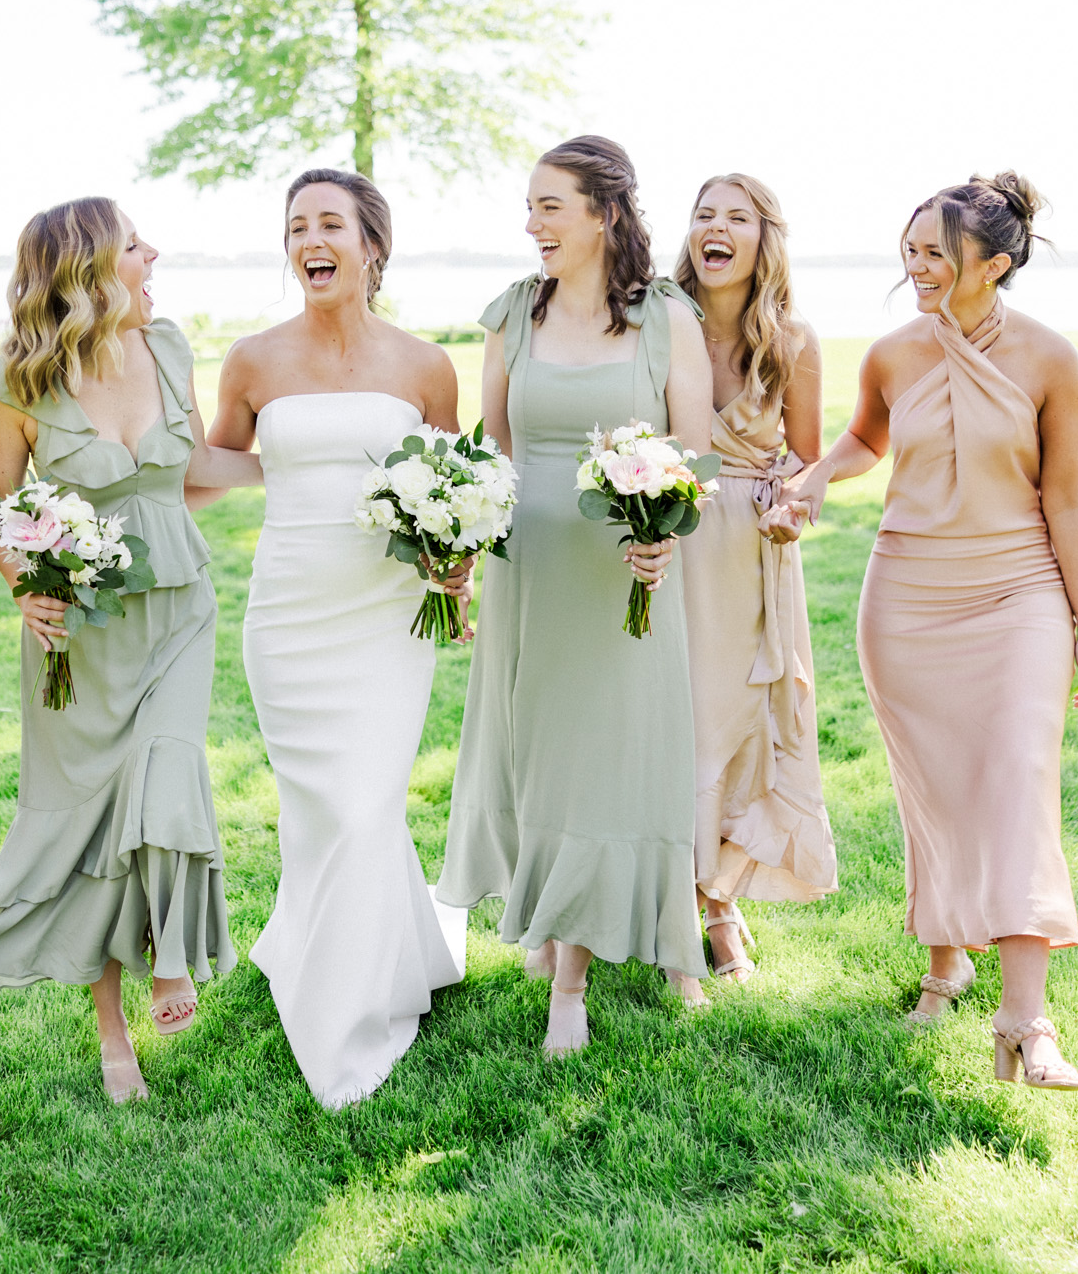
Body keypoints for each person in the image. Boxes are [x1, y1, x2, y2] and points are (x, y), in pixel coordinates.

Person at [774, 173, 1078, 1089]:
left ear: (994, 265)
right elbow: (862, 442)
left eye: (937, 254)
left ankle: (1026, 1022)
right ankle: (945, 960)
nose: (916, 267)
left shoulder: (1050, 359)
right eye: (910, 249)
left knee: (1017, 777)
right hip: (908, 597)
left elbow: (1068, 496)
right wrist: (812, 479)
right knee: (937, 792)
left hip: (1019, 594)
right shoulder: (891, 353)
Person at [0, 198, 258, 1104]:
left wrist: (311, 458)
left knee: (168, 772)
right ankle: (110, 1030)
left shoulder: (167, 347)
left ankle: (171, 954)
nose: (153, 253)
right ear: (88, 269)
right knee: (94, 819)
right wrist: (23, 587)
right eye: (136, 245)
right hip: (79, 630)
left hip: (180, 606)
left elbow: (194, 468)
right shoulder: (14, 382)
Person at [438, 135, 716, 1054]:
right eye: (529, 207)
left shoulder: (664, 316)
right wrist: (466, 541)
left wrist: (662, 539)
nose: (532, 224)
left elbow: (695, 452)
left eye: (549, 206)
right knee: (541, 759)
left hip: (624, 577)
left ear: (604, 212)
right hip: (531, 577)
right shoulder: (514, 312)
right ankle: (554, 915)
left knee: (609, 759)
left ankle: (572, 982)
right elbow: (500, 447)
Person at [206, 168, 469, 1108]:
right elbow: (209, 466)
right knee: (323, 811)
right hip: (288, 614)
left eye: (329, 224)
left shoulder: (425, 366)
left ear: (370, 247)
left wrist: (458, 565)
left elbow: (461, 492)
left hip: (387, 616)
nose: (309, 240)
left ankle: (351, 1019)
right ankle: (355, 956)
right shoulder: (251, 360)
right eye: (295, 227)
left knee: (365, 804)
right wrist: (118, 454)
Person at [671, 174, 838, 981]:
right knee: (674, 720)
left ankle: (719, 901)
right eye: (704, 214)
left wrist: (791, 506)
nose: (716, 228)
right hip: (666, 543)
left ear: (764, 239)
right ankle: (655, 897)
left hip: (751, 554)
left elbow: (808, 461)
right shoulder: (658, 323)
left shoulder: (793, 342)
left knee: (745, 727)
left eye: (736, 217)